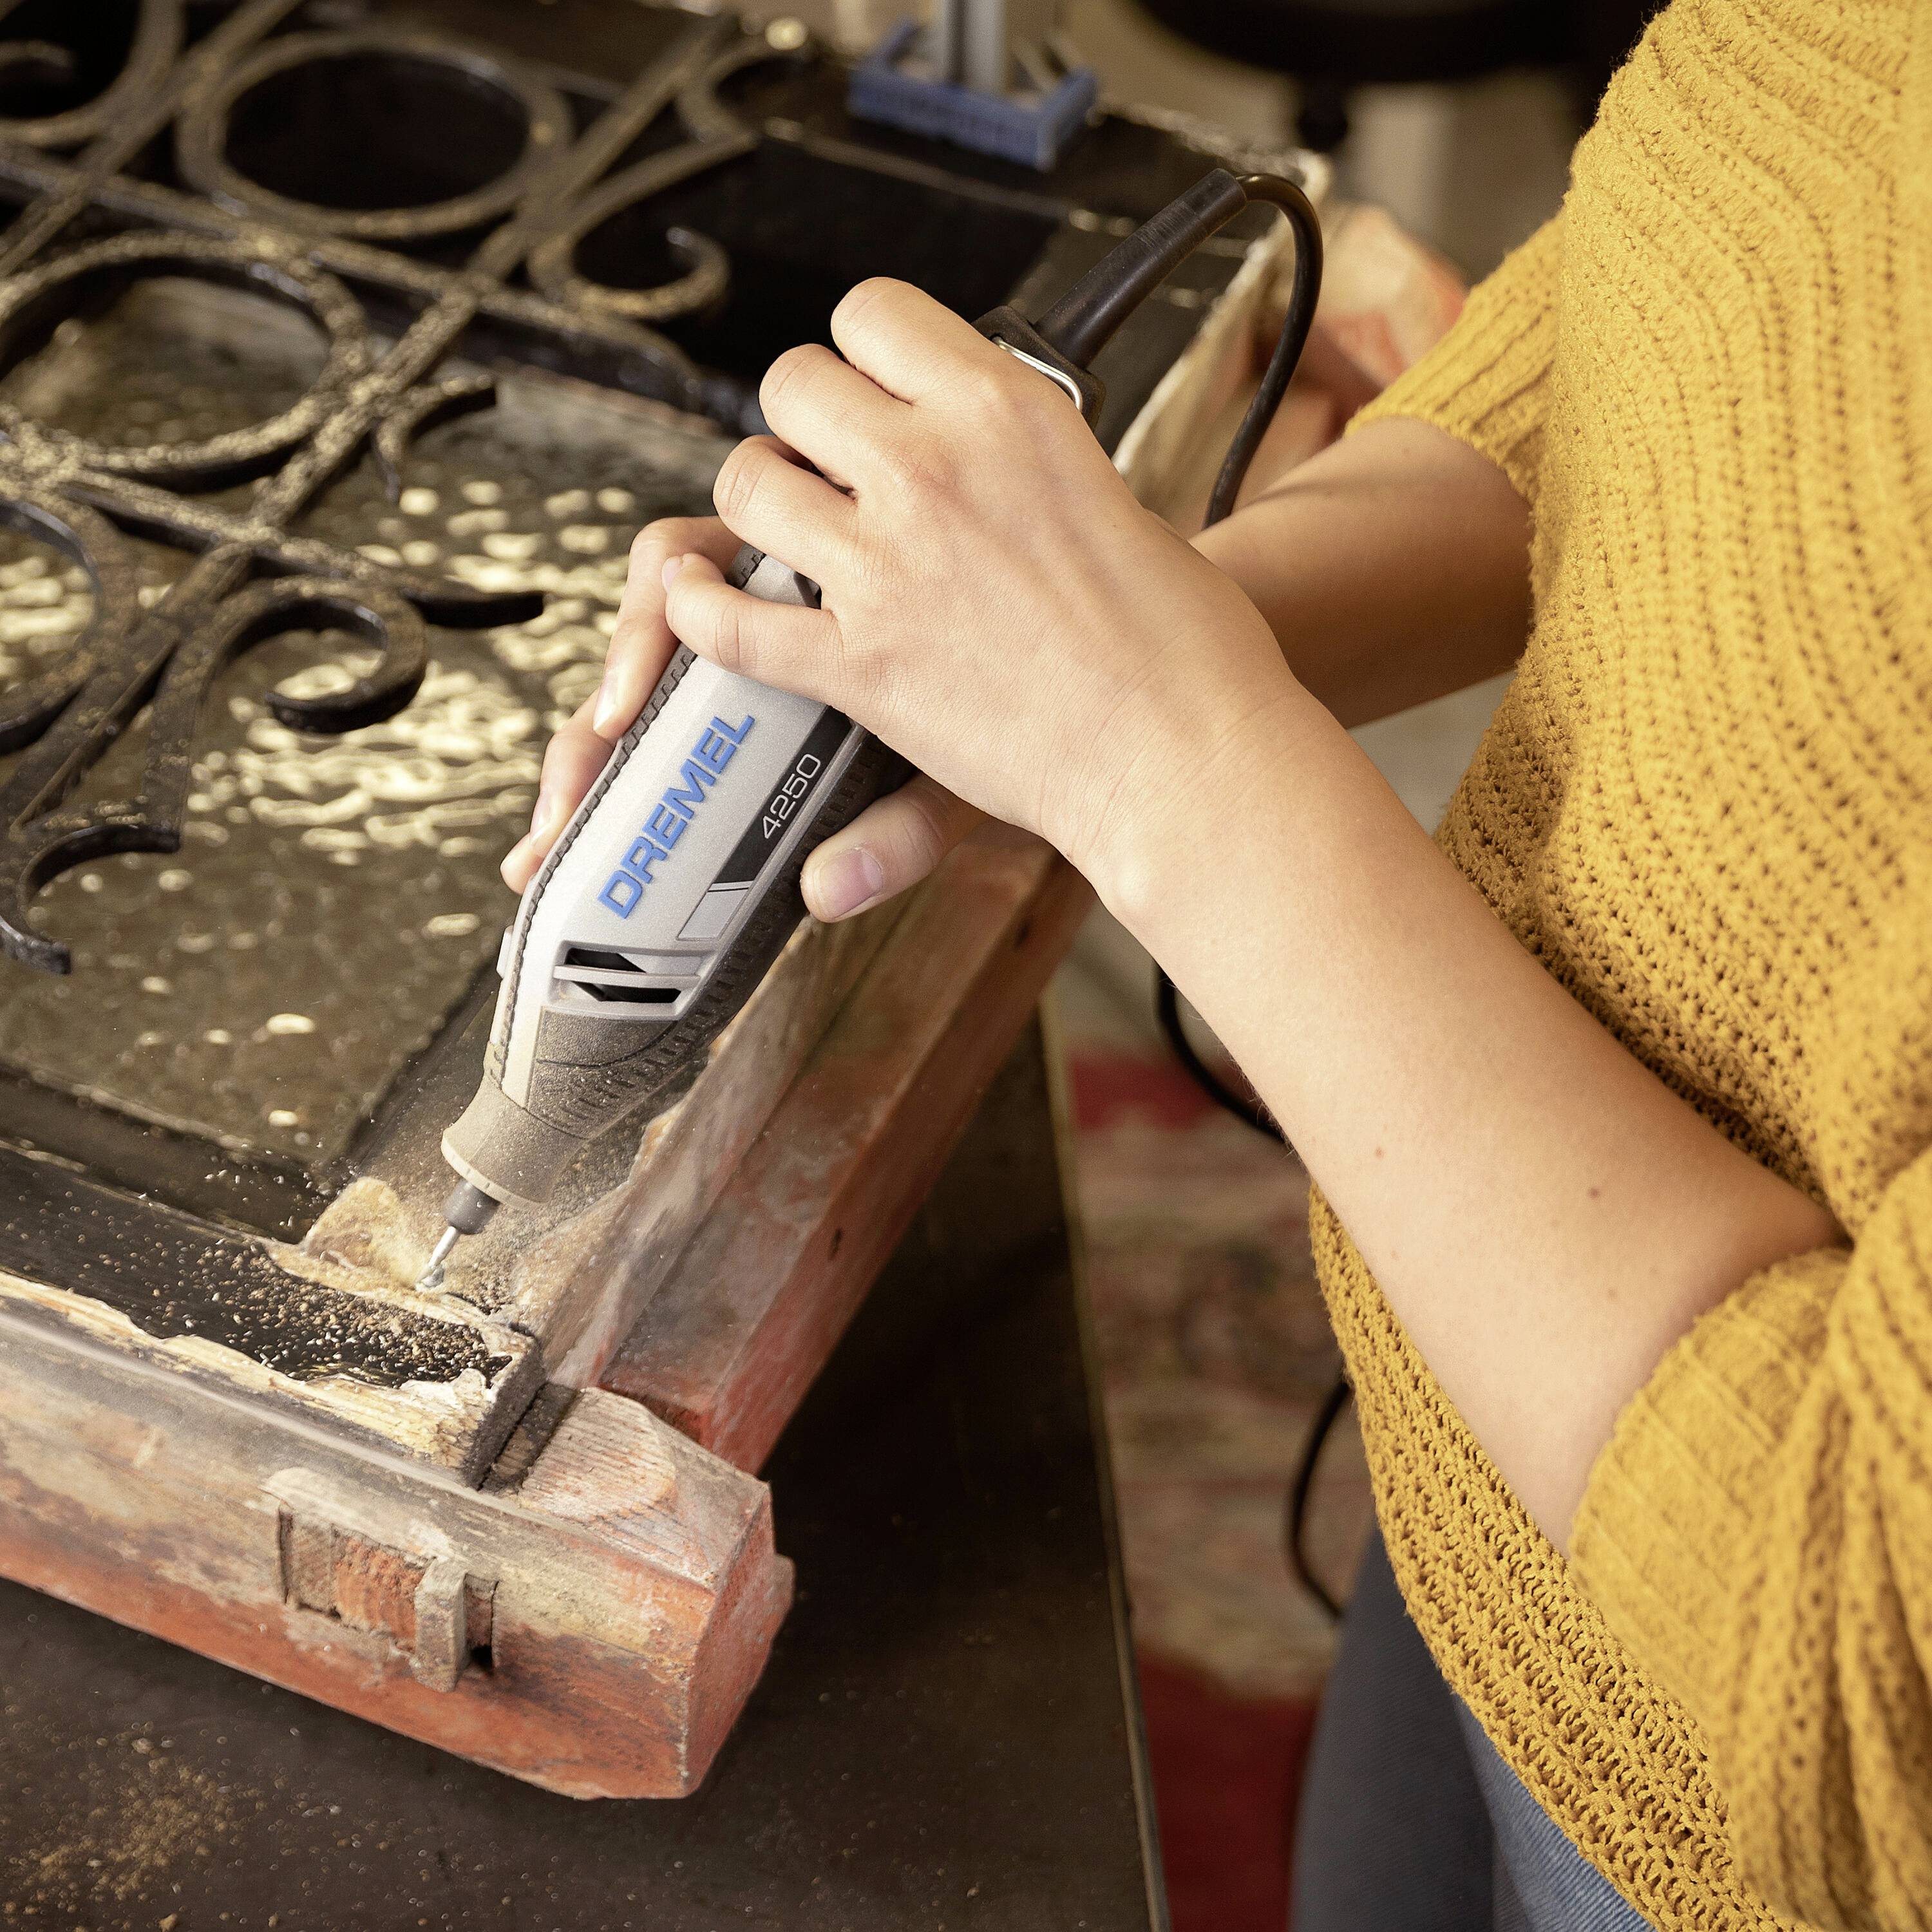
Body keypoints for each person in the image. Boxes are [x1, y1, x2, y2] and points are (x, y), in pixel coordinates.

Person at [504, 1, 1931, 1924]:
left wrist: (1162, 761)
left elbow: (1867, 1648)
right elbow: (1750, 308)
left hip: (1733, 1783)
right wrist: (1062, 647)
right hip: (1488, 1433)